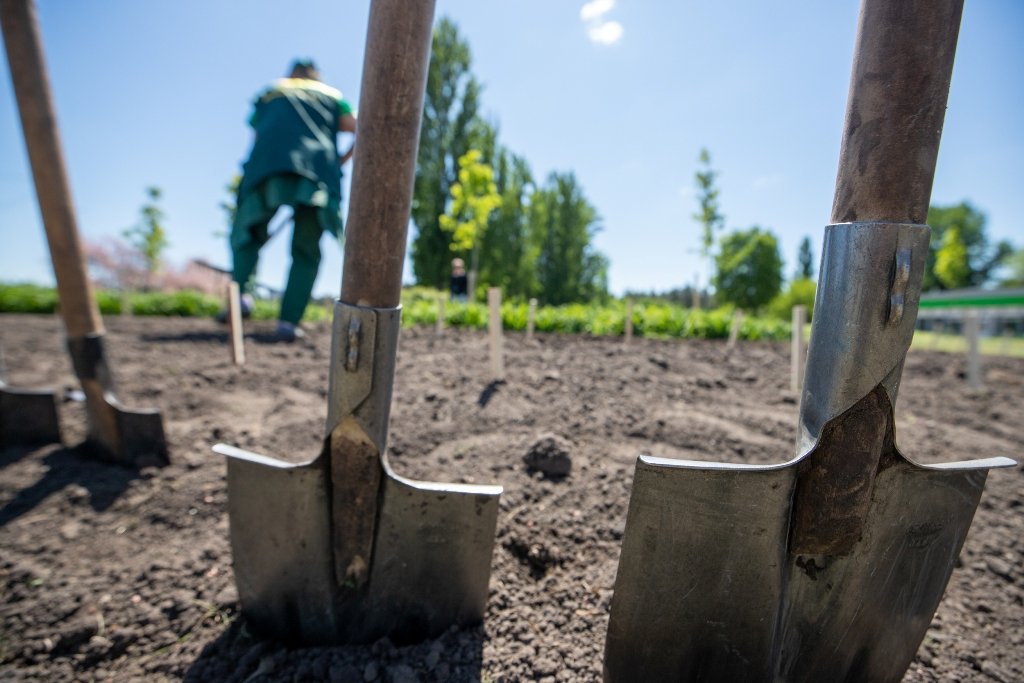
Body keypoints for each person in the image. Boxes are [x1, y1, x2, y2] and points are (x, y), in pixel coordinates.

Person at [225, 59, 356, 341]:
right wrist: (339, 163)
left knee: (246, 235)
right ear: (316, 75)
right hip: (317, 173)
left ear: (292, 73)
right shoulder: (332, 96)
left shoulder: (271, 92)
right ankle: (288, 322)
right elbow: (359, 127)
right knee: (306, 249)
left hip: (266, 168)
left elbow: (257, 134)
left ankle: (241, 297)